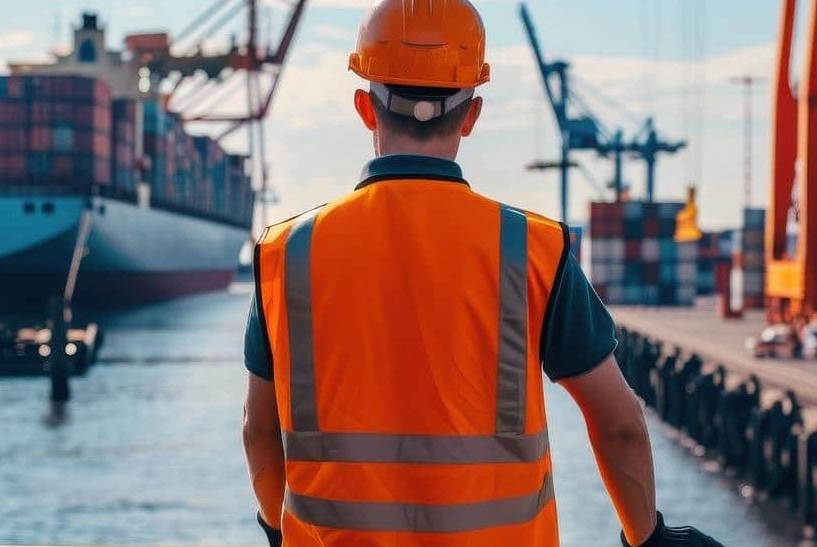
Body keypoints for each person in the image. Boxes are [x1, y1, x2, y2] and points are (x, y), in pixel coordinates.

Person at [241, 1, 724, 545]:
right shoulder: (532, 249)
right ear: (470, 116)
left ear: (364, 107)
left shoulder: (284, 253)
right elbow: (619, 423)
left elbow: (260, 431)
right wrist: (648, 538)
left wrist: (276, 527)